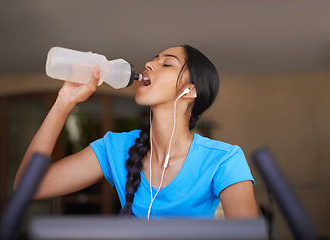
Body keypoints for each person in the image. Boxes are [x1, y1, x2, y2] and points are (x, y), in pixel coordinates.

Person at [14, 44, 258, 219]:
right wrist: (65, 100)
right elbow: (28, 186)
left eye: (167, 63)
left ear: (190, 90)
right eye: (153, 59)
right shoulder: (116, 148)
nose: (149, 64)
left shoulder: (223, 160)